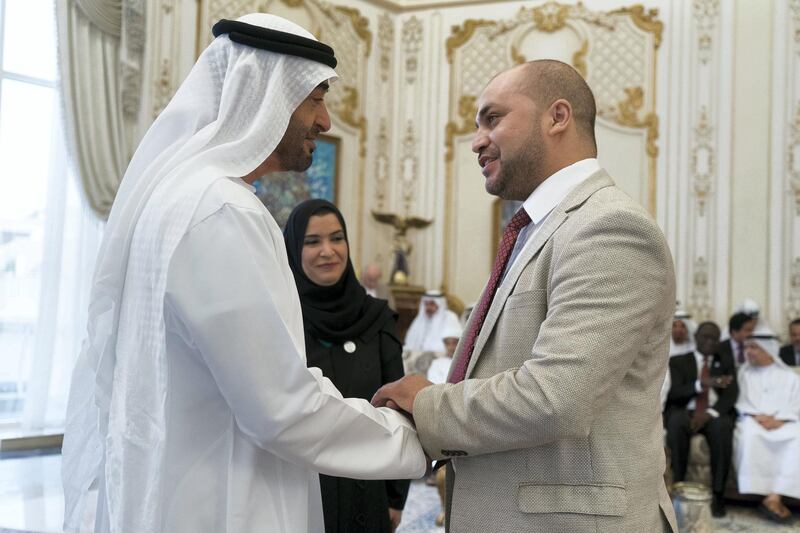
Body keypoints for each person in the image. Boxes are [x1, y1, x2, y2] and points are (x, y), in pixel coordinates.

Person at [60, 15, 425, 533]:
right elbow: (280, 407)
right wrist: (414, 436)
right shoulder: (221, 209)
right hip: (223, 505)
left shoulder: (181, 196)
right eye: (315, 98)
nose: (324, 121)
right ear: (267, 94)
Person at [373, 60, 677, 532]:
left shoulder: (609, 226)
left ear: (557, 117)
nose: (476, 140)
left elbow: (557, 398)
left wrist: (427, 402)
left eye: (493, 119)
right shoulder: (537, 229)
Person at [283, 199, 410, 533]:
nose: (328, 251)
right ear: (294, 249)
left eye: (336, 238)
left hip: (366, 490)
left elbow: (397, 406)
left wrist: (395, 498)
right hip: (302, 489)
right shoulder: (282, 318)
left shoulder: (377, 317)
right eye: (312, 242)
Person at [664, 322, 737, 517]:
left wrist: (708, 414)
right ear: (695, 337)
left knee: (723, 427)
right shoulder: (679, 361)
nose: (709, 342)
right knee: (676, 422)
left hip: (712, 414)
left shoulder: (725, 362)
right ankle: (677, 489)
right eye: (705, 337)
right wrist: (700, 384)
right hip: (684, 410)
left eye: (714, 338)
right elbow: (674, 394)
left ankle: (718, 494)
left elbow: (731, 396)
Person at [733, 324, 800, 523]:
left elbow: (797, 403)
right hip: (752, 421)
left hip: (783, 422)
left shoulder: (789, 376)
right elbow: (740, 401)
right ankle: (766, 495)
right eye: (747, 348)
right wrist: (756, 416)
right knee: (750, 435)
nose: (748, 352)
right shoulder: (743, 374)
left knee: (797, 438)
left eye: (753, 348)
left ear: (768, 348)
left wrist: (779, 419)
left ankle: (775, 496)